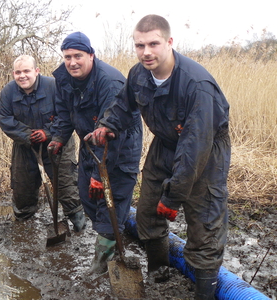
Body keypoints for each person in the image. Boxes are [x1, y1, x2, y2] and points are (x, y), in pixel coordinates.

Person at [84, 14, 231, 299]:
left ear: (169, 42)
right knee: (149, 210)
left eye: (153, 44)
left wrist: (174, 196)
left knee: (205, 223)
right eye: (140, 45)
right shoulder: (139, 74)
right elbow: (123, 105)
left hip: (206, 151)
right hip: (165, 144)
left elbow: (194, 149)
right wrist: (107, 125)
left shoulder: (196, 85)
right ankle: (158, 269)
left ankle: (205, 292)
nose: (146, 52)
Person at [47, 32, 143, 274]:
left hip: (119, 146)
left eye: (78, 56)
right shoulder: (64, 78)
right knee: (88, 196)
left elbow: (112, 130)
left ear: (91, 55)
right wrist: (59, 137)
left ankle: (101, 266)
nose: (72, 62)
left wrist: (101, 176)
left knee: (112, 201)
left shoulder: (109, 82)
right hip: (90, 145)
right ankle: (112, 235)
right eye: (67, 56)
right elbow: (64, 112)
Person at [0, 55, 85, 231]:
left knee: (66, 186)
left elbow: (67, 114)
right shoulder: (8, 92)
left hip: (58, 143)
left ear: (36, 71)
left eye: (27, 71)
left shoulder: (53, 86)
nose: (22, 76)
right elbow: (4, 119)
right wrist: (28, 135)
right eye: (18, 72)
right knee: (22, 187)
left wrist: (48, 132)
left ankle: (79, 225)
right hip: (25, 145)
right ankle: (24, 230)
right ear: (13, 74)